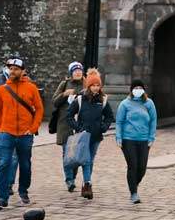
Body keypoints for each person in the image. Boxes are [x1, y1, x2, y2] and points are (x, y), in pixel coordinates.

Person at [0, 57, 44, 211]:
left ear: (23, 71)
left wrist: (33, 128)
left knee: (25, 164)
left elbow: (39, 109)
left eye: (16, 68)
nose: (12, 71)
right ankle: (2, 197)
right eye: (10, 68)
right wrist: (1, 127)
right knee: (4, 164)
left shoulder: (31, 88)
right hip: (7, 133)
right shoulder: (2, 89)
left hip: (25, 133)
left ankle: (23, 191)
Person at [66, 69, 114, 200]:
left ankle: (85, 184)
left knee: (90, 161)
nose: (96, 88)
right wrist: (79, 128)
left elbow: (109, 116)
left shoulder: (103, 100)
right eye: (93, 85)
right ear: (88, 86)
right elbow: (69, 115)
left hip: (96, 136)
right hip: (83, 136)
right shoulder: (80, 99)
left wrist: (103, 128)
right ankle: (88, 184)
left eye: (98, 85)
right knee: (86, 160)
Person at [116, 79, 158, 203]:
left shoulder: (149, 103)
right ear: (131, 90)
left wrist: (151, 137)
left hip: (144, 139)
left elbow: (153, 121)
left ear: (144, 90)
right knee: (132, 165)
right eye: (136, 88)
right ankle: (133, 193)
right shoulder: (125, 104)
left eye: (140, 88)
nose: (138, 90)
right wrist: (118, 137)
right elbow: (119, 121)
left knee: (142, 168)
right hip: (128, 139)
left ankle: (134, 183)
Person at [53, 62, 86, 191]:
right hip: (65, 124)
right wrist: (64, 94)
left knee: (77, 156)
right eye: (75, 70)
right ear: (71, 72)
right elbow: (55, 102)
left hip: (81, 124)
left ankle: (73, 175)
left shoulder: (87, 84)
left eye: (79, 70)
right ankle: (69, 180)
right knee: (67, 153)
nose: (78, 72)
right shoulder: (64, 84)